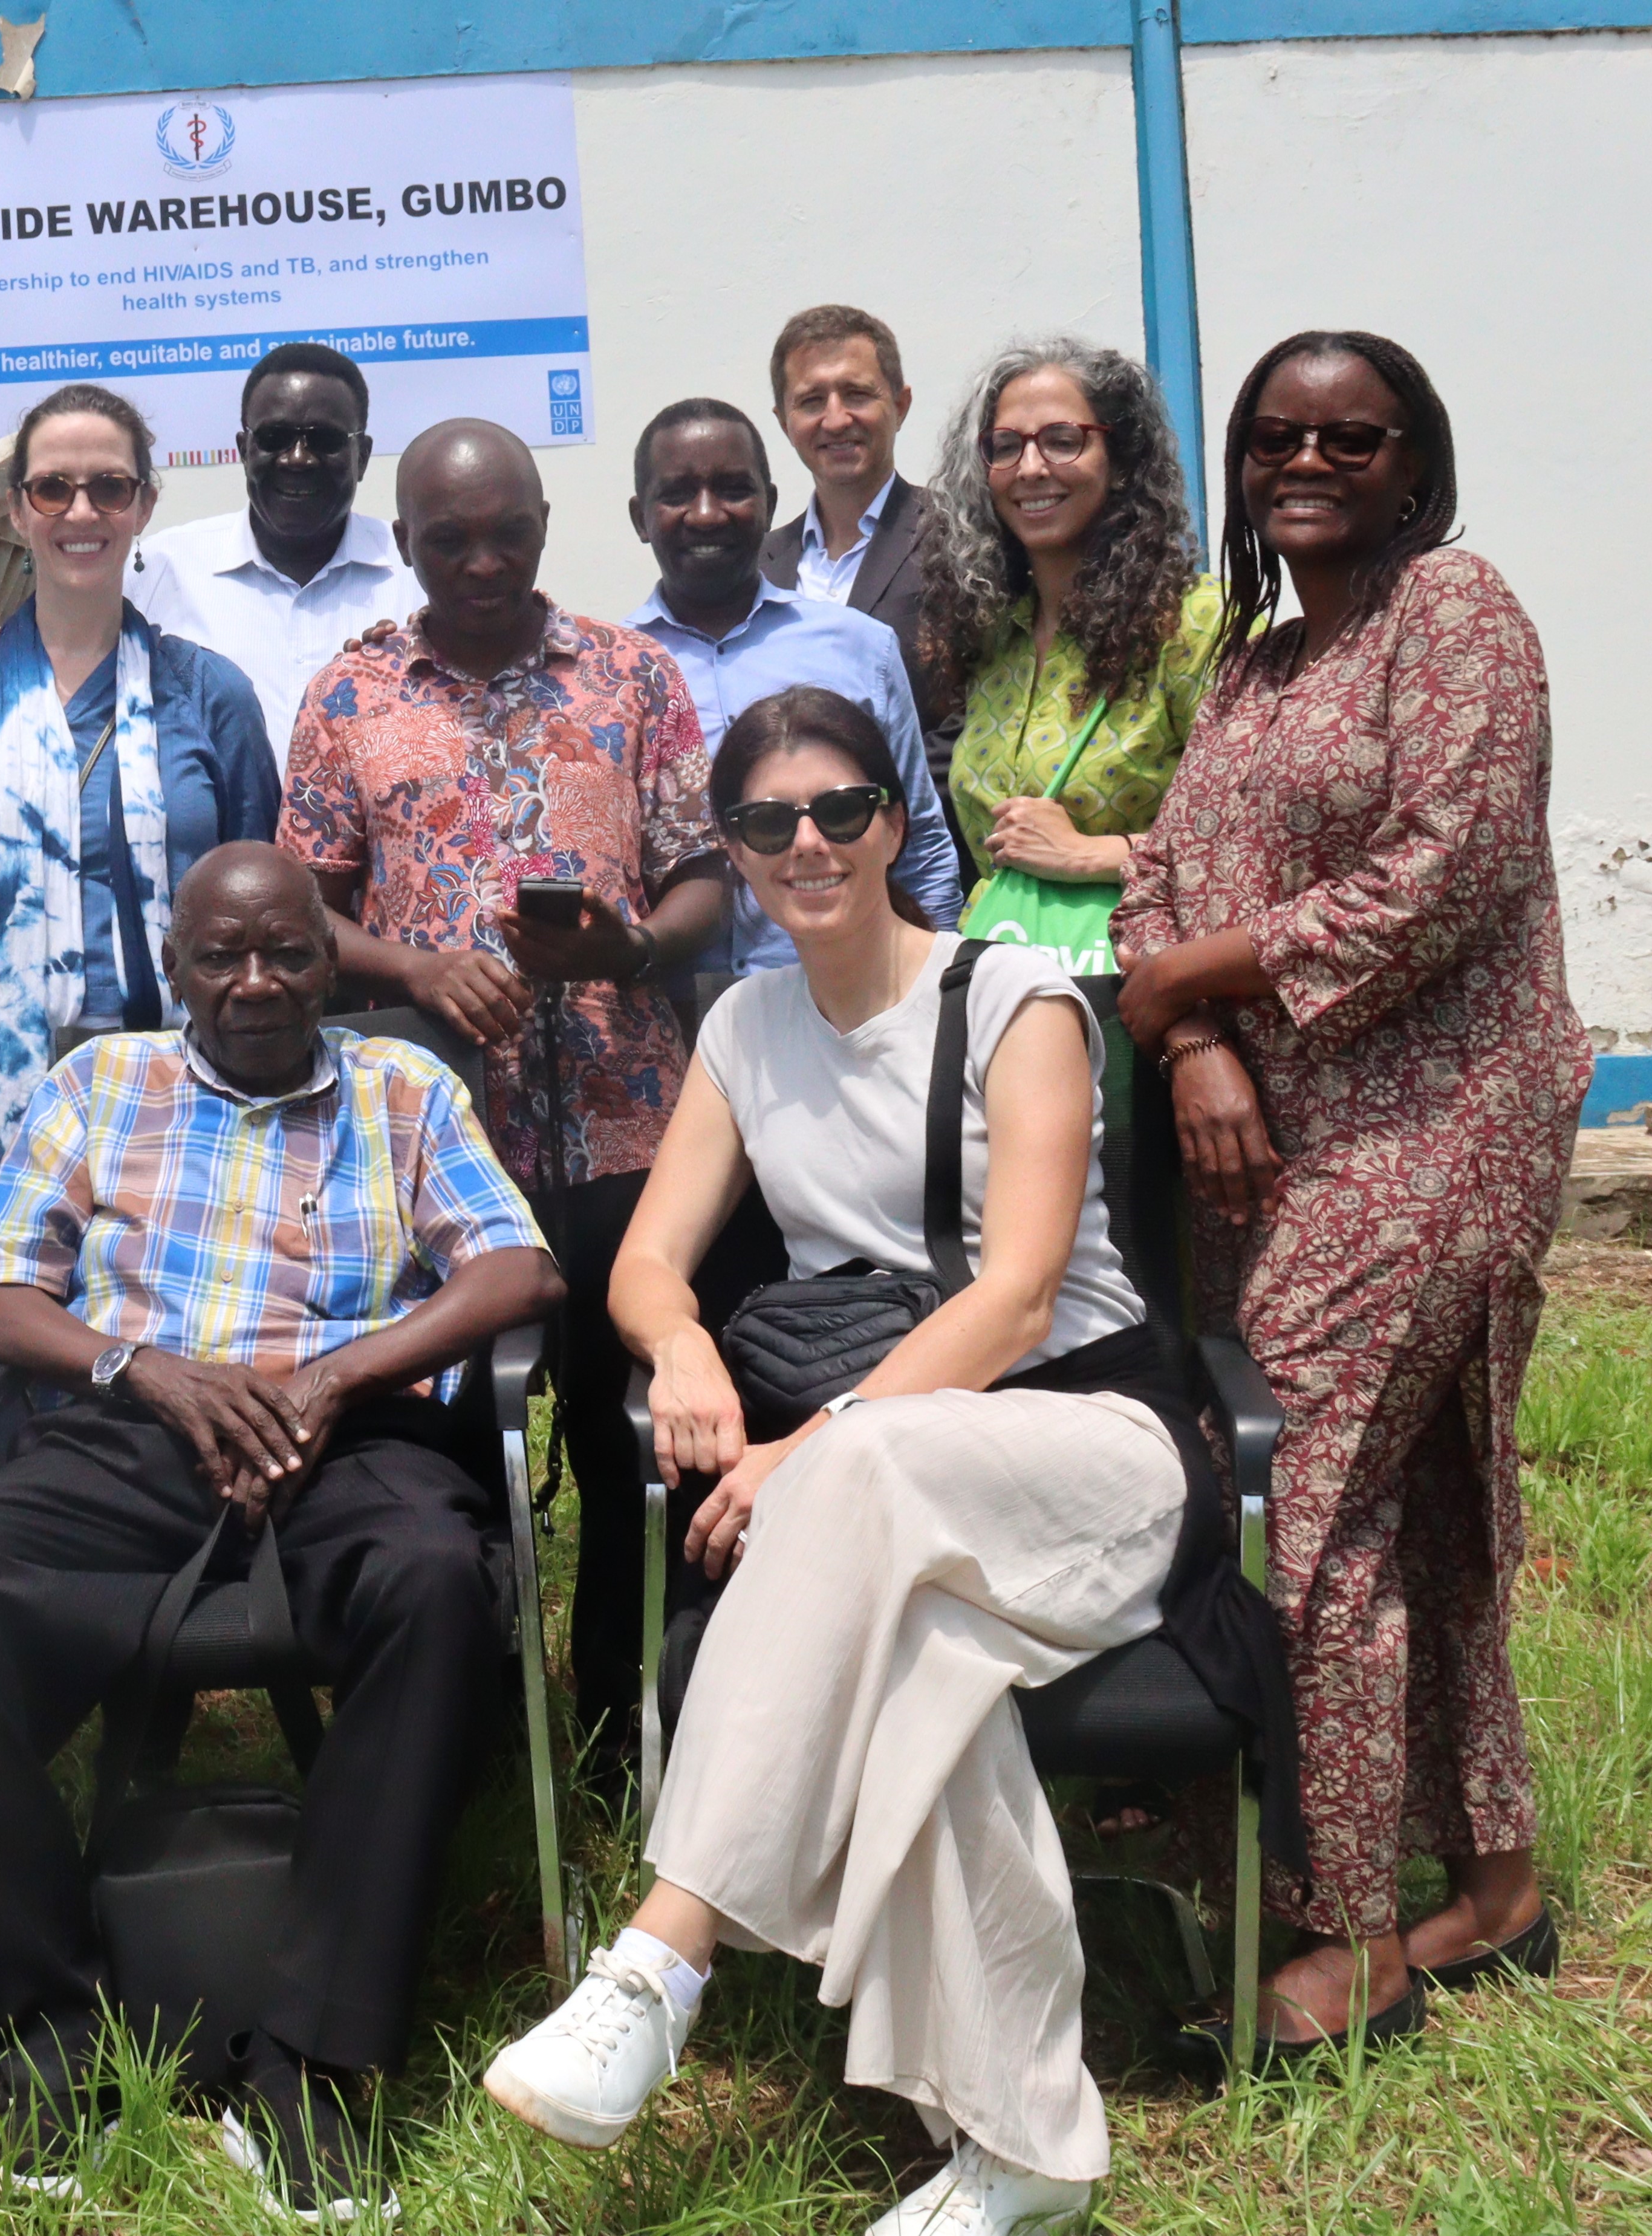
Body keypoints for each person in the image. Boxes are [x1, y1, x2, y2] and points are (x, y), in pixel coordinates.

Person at [482, 684, 1266, 2235]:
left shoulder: (1016, 996)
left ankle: (661, 1956)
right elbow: (644, 1264)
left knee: (861, 1473)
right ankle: (1021, 2153)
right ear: (729, 848)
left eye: (838, 808)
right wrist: (681, 1347)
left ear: (892, 822)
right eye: (765, 821)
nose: (807, 843)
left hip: (1085, 1453)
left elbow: (1019, 1294)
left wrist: (810, 1444)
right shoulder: (742, 1026)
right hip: (893, 1491)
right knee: (923, 1665)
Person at [0, 842, 562, 2221]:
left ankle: (309, 2063)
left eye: (285, 952)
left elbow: (517, 1266)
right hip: (137, 1434)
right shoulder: (101, 1081)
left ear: (328, 960)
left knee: (436, 1576)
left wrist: (335, 1377)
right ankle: (47, 2036)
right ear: (176, 966)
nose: (254, 981)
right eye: (220, 956)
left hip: (347, 1438)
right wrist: (142, 1370)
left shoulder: (402, 1085)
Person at [1114, 332, 1587, 2055]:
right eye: (1273, 436)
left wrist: (1193, 981)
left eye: (1349, 437)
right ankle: (1495, 1885)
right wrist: (1188, 1042)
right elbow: (1155, 876)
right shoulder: (1252, 660)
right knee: (1418, 1505)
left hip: (1432, 1129)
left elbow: (1441, 872)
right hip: (1261, 1140)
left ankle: (1346, 1921)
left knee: (1298, 1493)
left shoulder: (1453, 615)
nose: (1306, 461)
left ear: (1413, 464)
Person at [279, 416, 728, 1757]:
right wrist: (416, 970)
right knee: (454, 1441)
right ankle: (469, 1727)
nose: (481, 562)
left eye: (506, 533)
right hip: (435, 1148)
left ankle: (617, 1723)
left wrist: (626, 949)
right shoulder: (348, 693)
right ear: (401, 541)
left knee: (624, 1434)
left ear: (542, 523)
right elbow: (302, 913)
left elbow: (704, 876)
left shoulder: (630, 673)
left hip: (626, 1127)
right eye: (448, 540)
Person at [0, 381, 279, 1281]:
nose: (82, 511)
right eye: (53, 488)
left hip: (186, 1088)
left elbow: (255, 889)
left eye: (110, 487)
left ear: (145, 505)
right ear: (18, 510)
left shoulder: (208, 694)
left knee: (176, 1333)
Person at [623, 395, 964, 973]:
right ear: (640, 518)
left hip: (845, 994)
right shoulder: (611, 675)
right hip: (669, 1005)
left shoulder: (859, 647)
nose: (706, 514)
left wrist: (940, 987)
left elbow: (920, 844)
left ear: (770, 505)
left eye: (734, 489)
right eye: (677, 494)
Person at [923, 339, 1224, 917]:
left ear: (1123, 463)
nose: (1031, 468)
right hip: (1000, 957)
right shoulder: (994, 635)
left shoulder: (1198, 623)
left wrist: (1091, 854)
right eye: (1006, 447)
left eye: (1063, 441)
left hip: (1141, 963)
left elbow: (1257, 836)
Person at [128, 342, 418, 766]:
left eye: (325, 440)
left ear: (363, 457)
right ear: (244, 451)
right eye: (274, 438)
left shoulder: (417, 574)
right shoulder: (158, 571)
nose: (297, 459)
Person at [759, 305, 962, 876]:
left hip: (918, 870)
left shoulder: (962, 539)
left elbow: (980, 718)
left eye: (857, 394)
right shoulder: (759, 566)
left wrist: (862, 815)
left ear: (900, 404)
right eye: (810, 401)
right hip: (787, 870)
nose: (836, 418)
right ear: (783, 420)